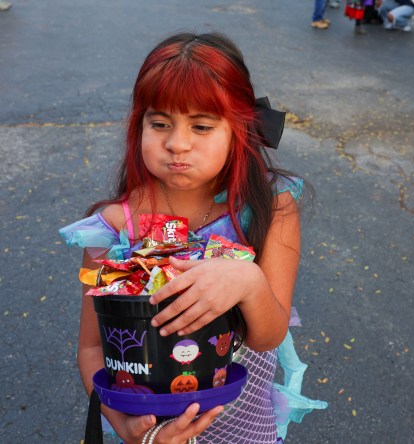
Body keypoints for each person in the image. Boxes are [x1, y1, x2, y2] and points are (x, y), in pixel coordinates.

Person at [59, 32, 326, 444]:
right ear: (139, 124)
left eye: (201, 125)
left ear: (239, 128)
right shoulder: (113, 227)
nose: (176, 143)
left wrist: (248, 281)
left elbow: (268, 334)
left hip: (244, 426)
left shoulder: (270, 206)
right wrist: (131, 431)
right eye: (159, 123)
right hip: (150, 429)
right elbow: (93, 349)